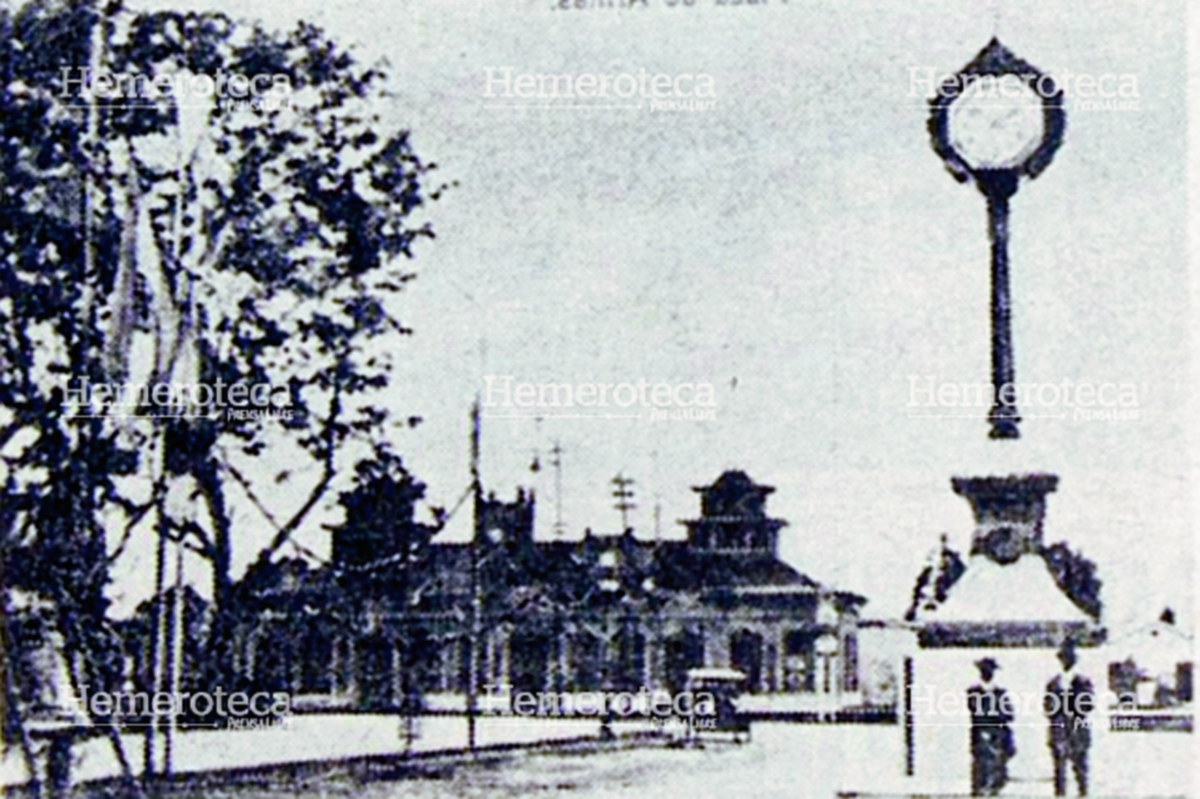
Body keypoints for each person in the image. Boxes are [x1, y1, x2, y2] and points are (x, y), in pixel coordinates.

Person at [1044, 641, 1093, 796]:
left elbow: (1087, 705)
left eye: (1069, 658)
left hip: (1078, 727)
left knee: (1080, 766)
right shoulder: (1053, 683)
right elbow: (1048, 706)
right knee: (1059, 767)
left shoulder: (1083, 682)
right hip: (1059, 727)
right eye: (1064, 658)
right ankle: (1060, 794)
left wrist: (1067, 703)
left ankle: (1082, 793)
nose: (1066, 661)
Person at [967, 658, 1015, 796]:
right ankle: (980, 788)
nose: (988, 673)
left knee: (998, 765)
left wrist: (1000, 718)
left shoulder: (1000, 692)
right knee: (981, 764)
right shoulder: (974, 692)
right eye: (985, 670)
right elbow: (977, 713)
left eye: (990, 670)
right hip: (982, 733)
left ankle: (995, 787)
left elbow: (1009, 713)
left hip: (998, 733)